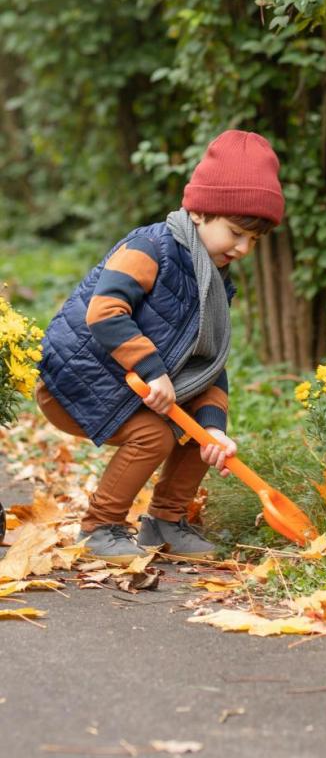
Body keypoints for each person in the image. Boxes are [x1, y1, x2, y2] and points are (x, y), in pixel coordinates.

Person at [36, 130, 284, 562]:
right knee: (153, 436)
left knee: (196, 434)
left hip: (134, 388)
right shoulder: (150, 247)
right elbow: (105, 312)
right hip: (76, 382)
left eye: (254, 241)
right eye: (237, 232)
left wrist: (215, 427)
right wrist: (153, 369)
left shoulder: (213, 281)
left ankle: (165, 523)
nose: (244, 248)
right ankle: (99, 527)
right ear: (202, 211)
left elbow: (208, 362)